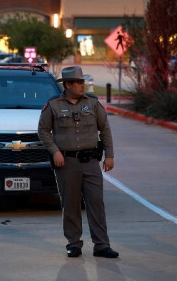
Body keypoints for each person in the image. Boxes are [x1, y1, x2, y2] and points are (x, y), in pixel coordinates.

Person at [38, 66, 119, 259]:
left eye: (83, 82)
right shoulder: (53, 105)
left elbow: (105, 129)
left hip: (90, 161)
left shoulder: (92, 104)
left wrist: (109, 155)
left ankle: (101, 245)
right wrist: (55, 151)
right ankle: (73, 243)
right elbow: (43, 131)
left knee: (96, 203)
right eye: (78, 83)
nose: (82, 86)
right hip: (67, 163)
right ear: (67, 85)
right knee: (71, 204)